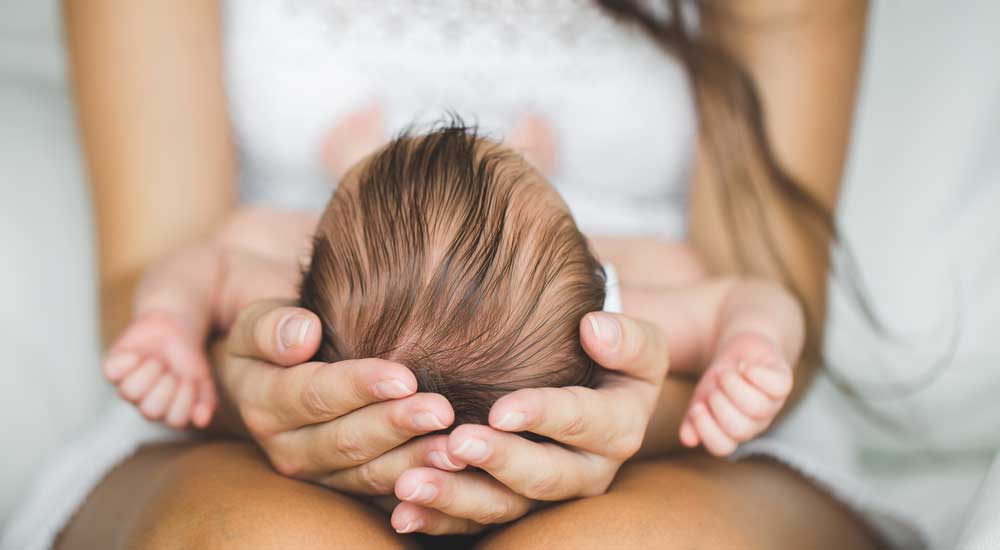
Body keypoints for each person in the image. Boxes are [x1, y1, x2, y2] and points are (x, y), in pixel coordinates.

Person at [12, 1, 884, 548]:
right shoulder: (628, 298)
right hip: (269, 435)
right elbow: (745, 301)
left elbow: (189, 270)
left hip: (648, 429)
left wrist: (168, 327)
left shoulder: (276, 265)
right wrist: (749, 352)